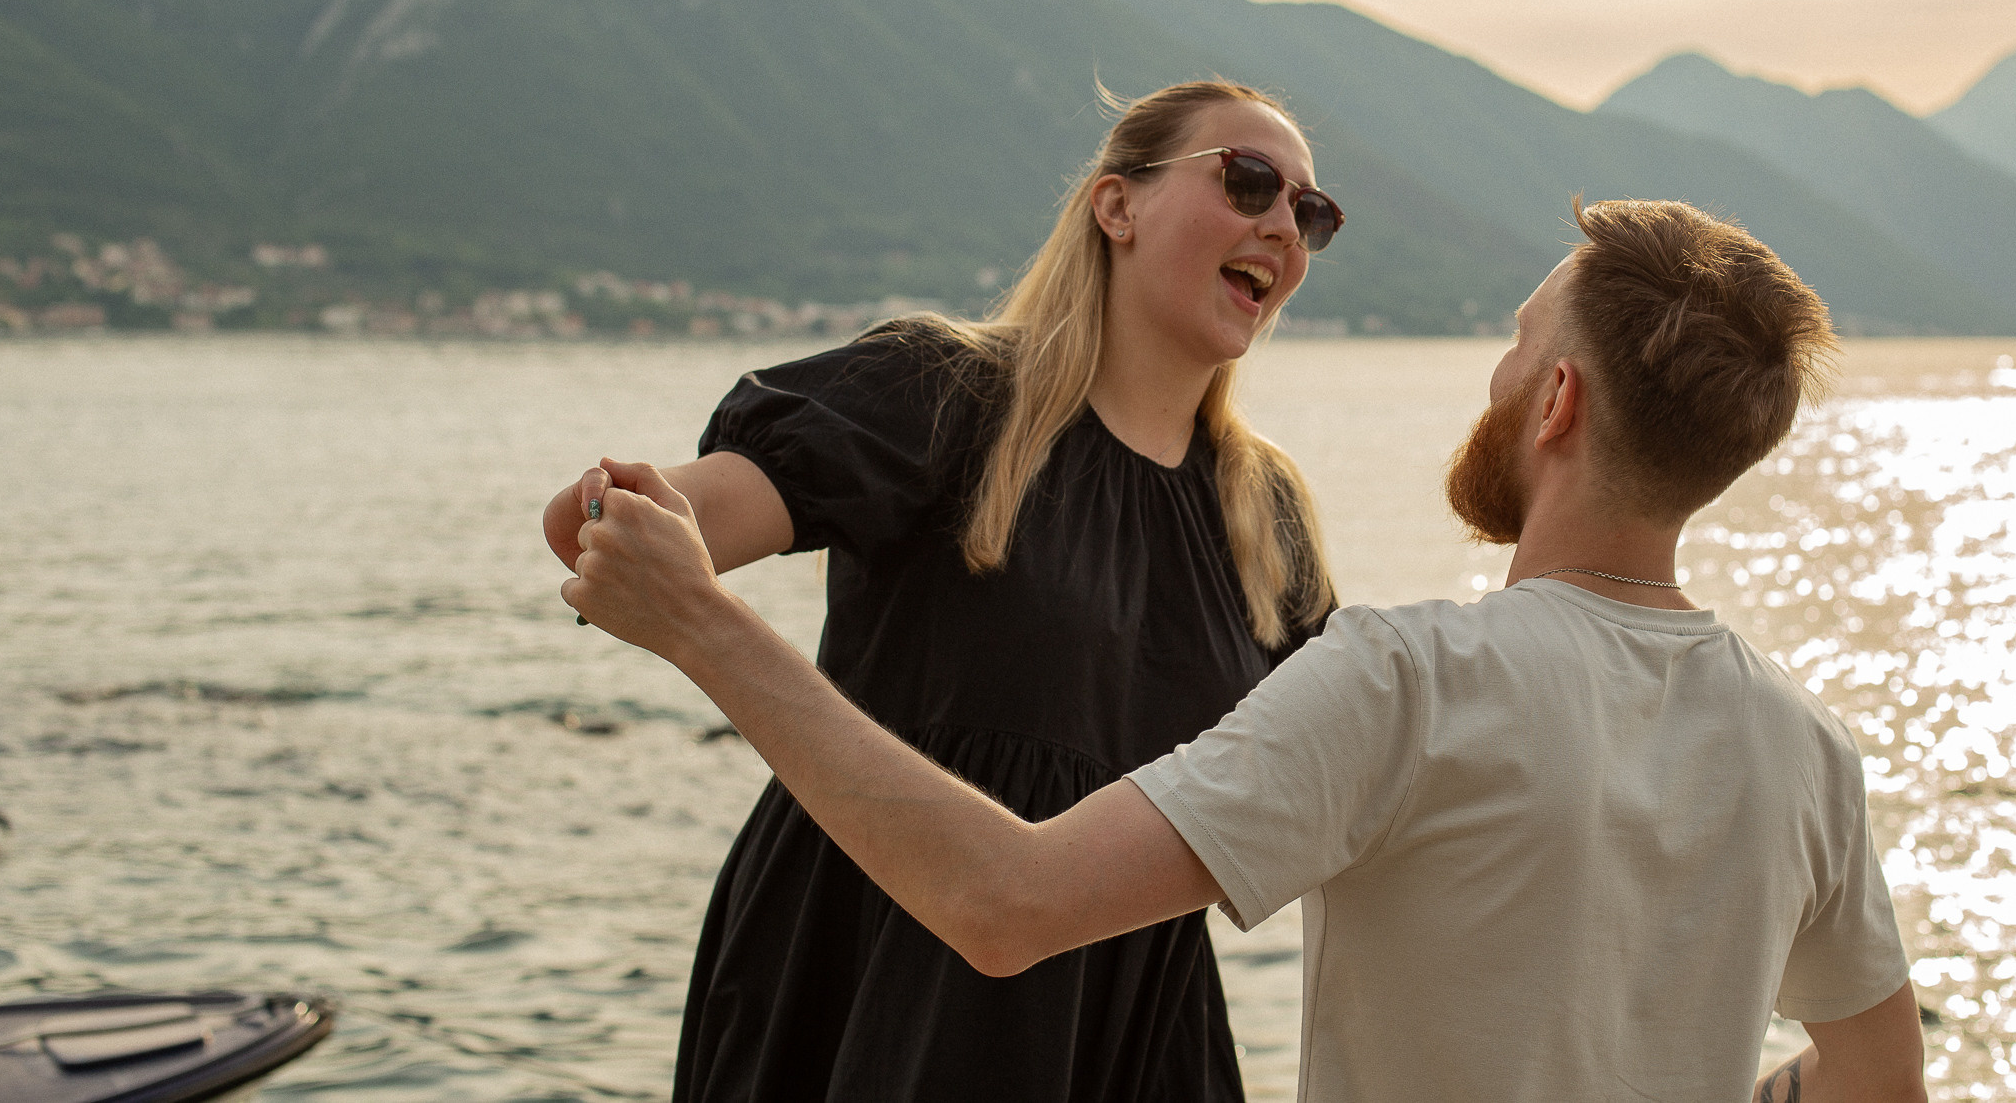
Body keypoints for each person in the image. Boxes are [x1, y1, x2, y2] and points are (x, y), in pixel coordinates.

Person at [562, 199, 1927, 1103]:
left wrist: (702, 622)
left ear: (1557, 400)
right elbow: (1877, 1083)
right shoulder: (1807, 752)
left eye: (1518, 348)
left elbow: (1005, 902)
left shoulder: (1408, 682)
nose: (1498, 376)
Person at [540, 80, 1345, 1102]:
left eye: (1311, 212)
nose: (1284, 226)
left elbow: (1351, 776)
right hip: (870, 970)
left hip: (1130, 1024)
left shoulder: (1265, 514)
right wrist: (622, 516)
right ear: (1117, 205)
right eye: (1249, 180)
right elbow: (623, 525)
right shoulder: (946, 392)